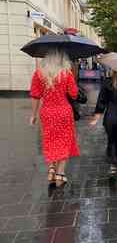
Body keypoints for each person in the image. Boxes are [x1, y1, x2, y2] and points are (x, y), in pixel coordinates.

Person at [30, 50, 80, 187]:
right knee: (64, 141)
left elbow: (35, 96)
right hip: (63, 111)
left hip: (47, 112)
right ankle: (60, 174)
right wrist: (73, 79)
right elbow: (74, 94)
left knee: (50, 140)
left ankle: (51, 168)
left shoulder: (39, 74)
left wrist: (33, 115)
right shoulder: (66, 74)